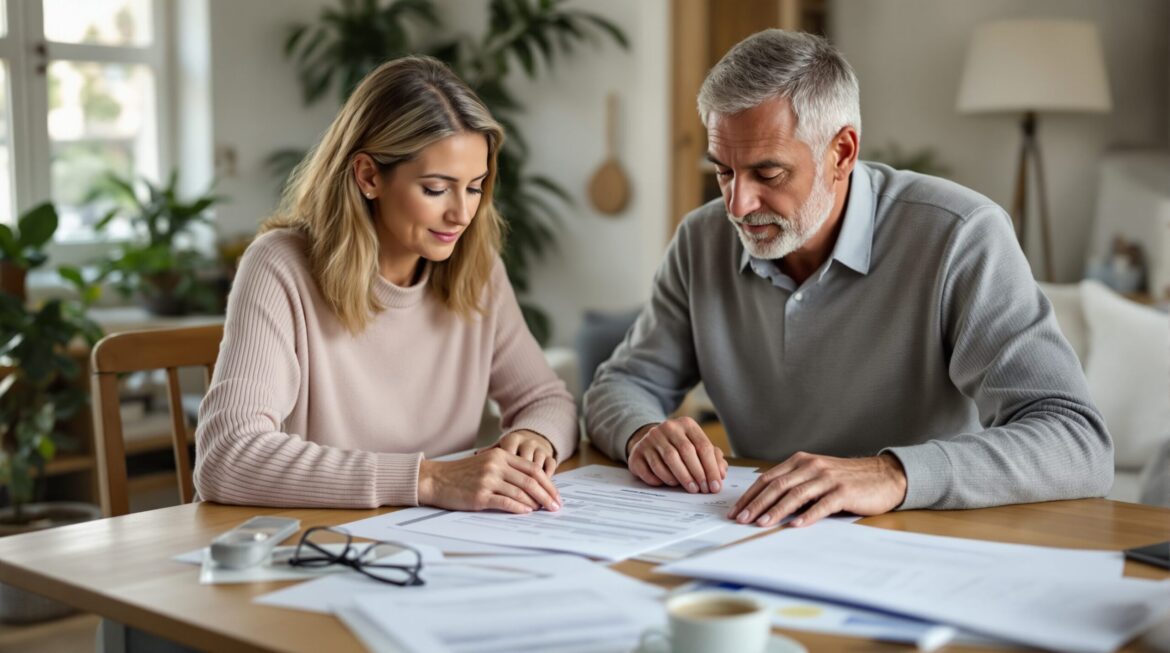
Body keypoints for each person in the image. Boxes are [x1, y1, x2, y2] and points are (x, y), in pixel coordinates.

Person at [583, 29, 1112, 528]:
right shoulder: (700, 241)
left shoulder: (961, 236)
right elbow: (619, 385)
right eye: (723, 170)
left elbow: (1076, 442)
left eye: (768, 173)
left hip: (922, 538)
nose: (738, 205)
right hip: (752, 531)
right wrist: (643, 433)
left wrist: (892, 473)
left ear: (841, 153)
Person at [194, 56, 576, 513]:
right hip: (308, 546)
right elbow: (228, 455)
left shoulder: (476, 268)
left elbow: (547, 399)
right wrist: (428, 479)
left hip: (435, 546)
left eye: (474, 187)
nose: (461, 213)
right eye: (436, 189)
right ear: (369, 176)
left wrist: (532, 437)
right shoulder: (280, 266)